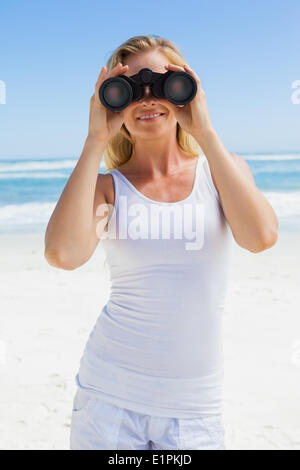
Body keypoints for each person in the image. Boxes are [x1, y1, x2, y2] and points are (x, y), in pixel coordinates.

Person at [44, 35, 279, 450]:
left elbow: (260, 237)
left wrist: (204, 132)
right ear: (113, 99)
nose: (147, 97)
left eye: (162, 82)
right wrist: (94, 140)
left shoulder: (221, 172)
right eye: (130, 88)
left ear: (185, 89)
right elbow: (63, 254)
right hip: (110, 398)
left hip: (195, 407)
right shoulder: (108, 190)